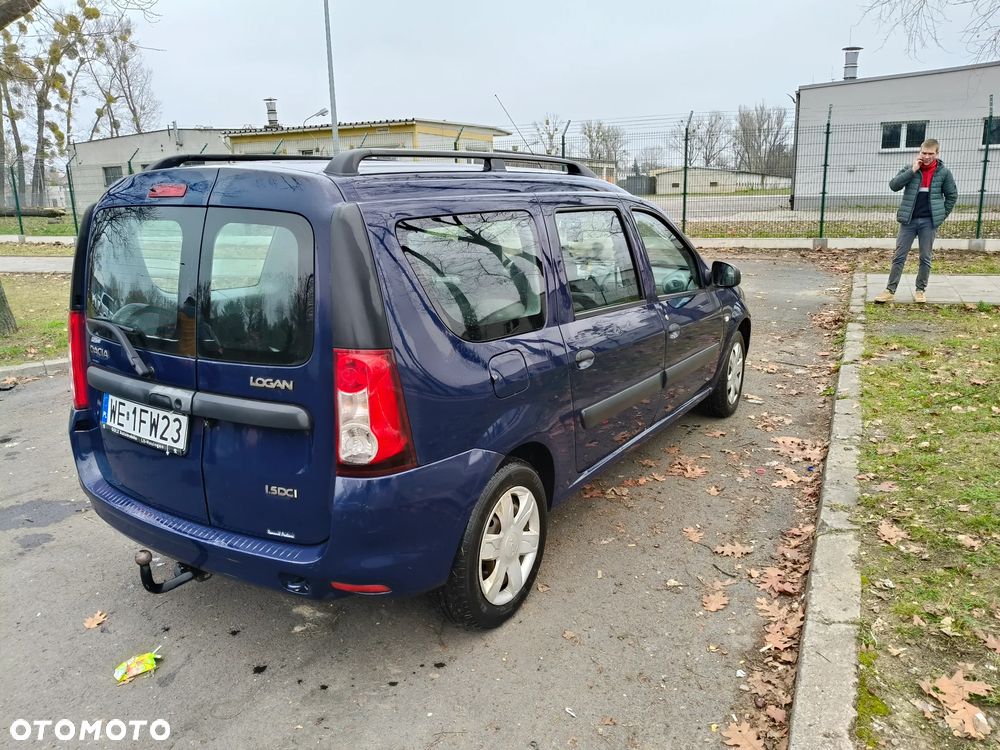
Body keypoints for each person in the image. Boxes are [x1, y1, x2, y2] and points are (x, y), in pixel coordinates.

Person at [874, 138, 958, 304]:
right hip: (908, 221)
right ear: (920, 152)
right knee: (899, 256)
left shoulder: (943, 173)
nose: (926, 157)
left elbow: (952, 196)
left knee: (925, 257)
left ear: (937, 154)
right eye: (924, 153)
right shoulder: (910, 169)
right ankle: (890, 290)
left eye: (930, 154)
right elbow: (894, 185)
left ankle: (920, 290)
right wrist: (912, 170)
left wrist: (941, 215)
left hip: (929, 222)